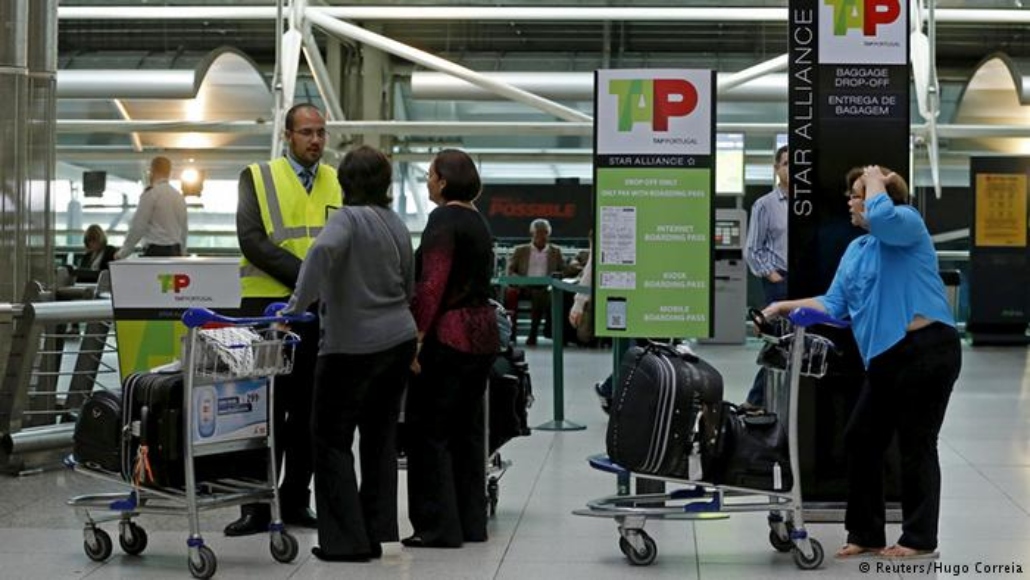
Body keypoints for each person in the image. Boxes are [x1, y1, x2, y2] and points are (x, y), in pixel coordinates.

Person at [761, 165, 960, 560]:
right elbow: (834, 302)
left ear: (876, 197)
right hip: (886, 358)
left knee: (917, 443)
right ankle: (866, 532)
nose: (850, 202)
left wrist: (875, 178)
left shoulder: (906, 225)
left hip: (926, 349)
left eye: (857, 194)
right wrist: (783, 306)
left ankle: (920, 540)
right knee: (862, 437)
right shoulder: (858, 249)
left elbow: (884, 217)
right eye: (853, 194)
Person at [280, 145, 417, 562]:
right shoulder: (395, 223)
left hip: (351, 347)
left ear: (343, 183)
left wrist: (295, 308)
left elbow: (321, 253)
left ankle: (345, 541)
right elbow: (409, 281)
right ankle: (375, 532)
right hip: (398, 340)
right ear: (386, 184)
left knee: (331, 440)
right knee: (379, 439)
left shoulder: (345, 218)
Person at [225, 103, 342, 537]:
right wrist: (307, 281)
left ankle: (295, 499)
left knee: (309, 411)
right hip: (265, 310)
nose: (315, 140)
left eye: (321, 133)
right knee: (259, 411)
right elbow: (252, 241)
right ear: (288, 136)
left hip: (317, 315)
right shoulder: (256, 177)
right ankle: (255, 505)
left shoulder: (337, 180)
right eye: (307, 132)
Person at [404, 148, 500, 548]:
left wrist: (416, 336)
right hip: (482, 337)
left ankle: (438, 527)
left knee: (430, 432)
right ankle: (470, 522)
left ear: (443, 182)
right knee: (468, 433)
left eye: (430, 175)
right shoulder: (478, 221)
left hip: (448, 336)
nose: (427, 181)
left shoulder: (443, 219)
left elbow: (432, 285)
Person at [741, 145, 790, 410]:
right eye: (785, 163)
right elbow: (752, 248)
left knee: (798, 342)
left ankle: (762, 399)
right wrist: (773, 276)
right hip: (780, 280)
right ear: (776, 168)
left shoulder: (807, 204)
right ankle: (757, 399)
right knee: (781, 342)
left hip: (806, 281)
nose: (791, 169)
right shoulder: (765, 205)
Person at [504, 218, 566, 345]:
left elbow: (563, 271)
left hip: (544, 288)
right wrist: (519, 281)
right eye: (538, 233)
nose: (541, 236)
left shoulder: (555, 252)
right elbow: (510, 271)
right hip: (523, 286)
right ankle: (511, 334)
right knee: (510, 294)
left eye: (545, 233)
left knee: (540, 295)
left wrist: (555, 278)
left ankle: (533, 332)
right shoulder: (520, 250)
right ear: (532, 233)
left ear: (549, 234)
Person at [114, 156, 188, 259]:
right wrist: (182, 254)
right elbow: (183, 230)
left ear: (152, 170)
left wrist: (123, 253)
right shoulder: (179, 197)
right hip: (175, 252)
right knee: (169, 276)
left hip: (155, 253)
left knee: (154, 276)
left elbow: (138, 227)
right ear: (169, 172)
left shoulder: (151, 194)